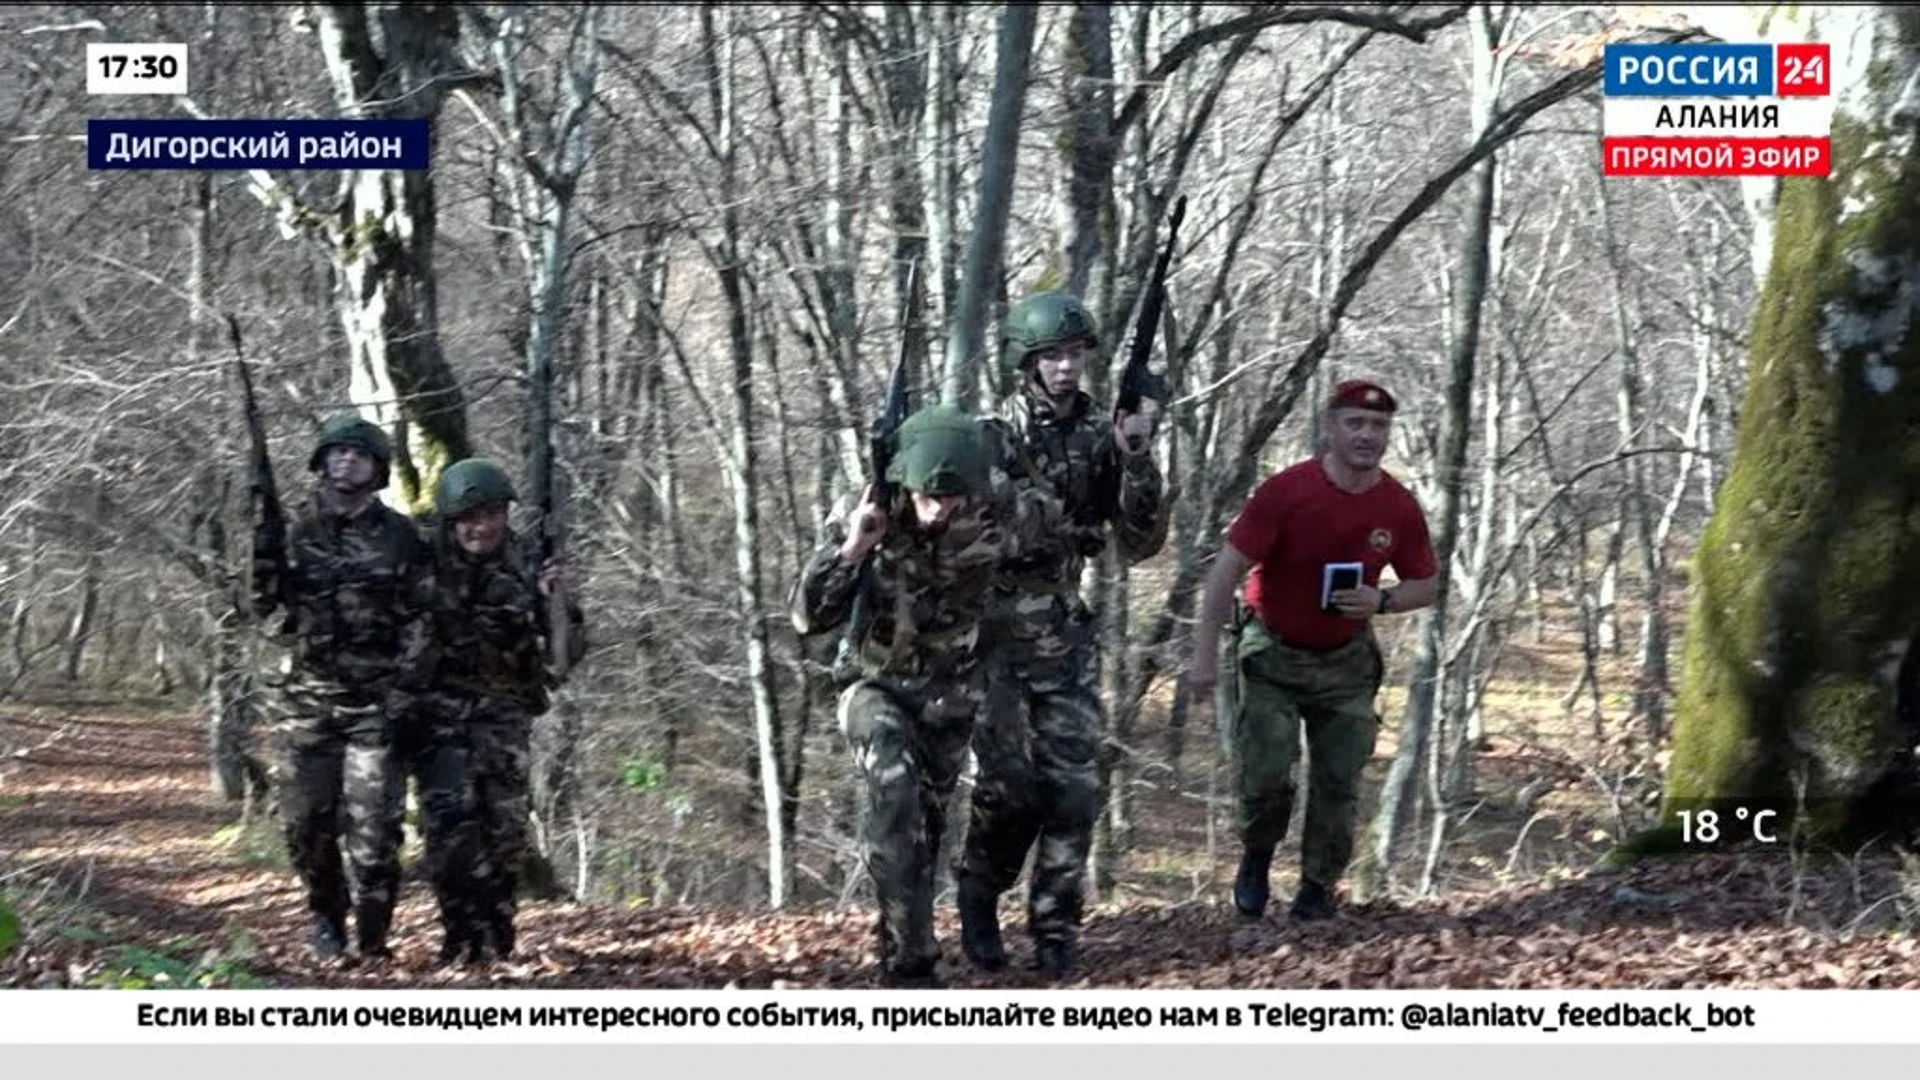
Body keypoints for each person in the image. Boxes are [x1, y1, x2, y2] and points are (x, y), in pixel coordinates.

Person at [791, 404, 1059, 988]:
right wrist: (853, 551)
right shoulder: (864, 512)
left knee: (943, 821)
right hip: (874, 682)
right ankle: (915, 967)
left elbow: (1058, 532)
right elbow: (808, 617)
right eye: (928, 498)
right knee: (894, 791)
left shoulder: (999, 504)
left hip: (953, 688)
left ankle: (921, 935)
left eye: (954, 498)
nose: (941, 510)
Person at [953, 290, 1170, 980]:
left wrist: (1136, 461)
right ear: (1028, 362)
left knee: (1076, 790)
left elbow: (1141, 542)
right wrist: (1046, 519)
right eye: (1052, 356)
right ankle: (979, 895)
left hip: (1063, 636)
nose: (1066, 368)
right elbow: (976, 531)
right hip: (992, 637)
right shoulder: (992, 437)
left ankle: (1054, 927)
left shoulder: (1103, 434)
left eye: (1075, 355)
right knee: (1011, 787)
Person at [1183, 379, 1437, 921]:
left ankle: (1317, 887)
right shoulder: (1286, 492)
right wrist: (1203, 658)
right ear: (1330, 427)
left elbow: (1427, 584)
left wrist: (1382, 599)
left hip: (1345, 658)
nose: (1368, 435)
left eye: (1379, 426)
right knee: (1267, 773)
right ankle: (1256, 858)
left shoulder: (1396, 504)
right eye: (1356, 423)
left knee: (1339, 779)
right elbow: (1224, 572)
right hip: (1272, 652)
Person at [251, 413, 435, 962]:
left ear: (377, 468)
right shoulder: (292, 529)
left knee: (375, 833)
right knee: (307, 824)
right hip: (306, 700)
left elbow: (423, 620)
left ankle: (374, 936)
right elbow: (261, 607)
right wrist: (259, 552)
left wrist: (404, 693)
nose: (344, 460)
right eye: (335, 452)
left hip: (376, 706)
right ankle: (326, 919)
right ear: (321, 461)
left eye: (357, 453)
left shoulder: (402, 536)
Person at [419, 457, 584, 964]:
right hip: (439, 718)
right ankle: (457, 934)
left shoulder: (530, 562)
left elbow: (567, 655)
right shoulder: (425, 563)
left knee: (503, 832)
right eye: (468, 517)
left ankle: (496, 933)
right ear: (450, 520)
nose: (480, 527)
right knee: (448, 833)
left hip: (504, 717)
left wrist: (559, 604)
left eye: (490, 513)